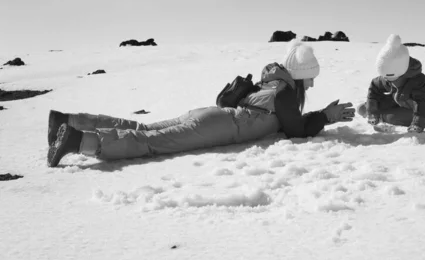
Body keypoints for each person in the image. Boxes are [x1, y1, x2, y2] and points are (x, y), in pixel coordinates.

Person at [47, 40, 355, 167]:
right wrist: (325, 116)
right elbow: (296, 131)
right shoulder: (286, 94)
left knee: (144, 128)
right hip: (217, 126)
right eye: (310, 78)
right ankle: (78, 141)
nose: (312, 84)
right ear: (301, 75)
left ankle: (68, 121)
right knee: (149, 142)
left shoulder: (273, 82)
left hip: (213, 115)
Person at [357, 34, 425, 133]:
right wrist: (372, 112)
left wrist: (418, 122)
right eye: (386, 78)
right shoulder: (387, 76)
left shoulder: (418, 81)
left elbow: (424, 104)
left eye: (393, 78)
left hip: (417, 109)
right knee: (362, 108)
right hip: (397, 100)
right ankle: (380, 116)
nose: (389, 81)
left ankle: (385, 117)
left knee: (392, 118)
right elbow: (374, 90)